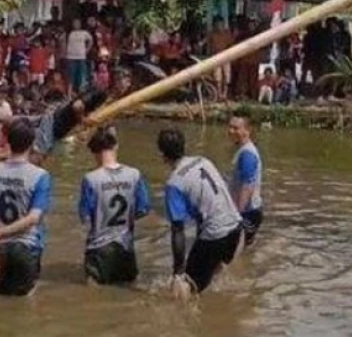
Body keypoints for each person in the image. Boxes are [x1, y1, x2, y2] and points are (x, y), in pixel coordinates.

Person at [158, 127, 244, 296]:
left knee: (187, 290)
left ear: (162, 155)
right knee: (215, 278)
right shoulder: (203, 160)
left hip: (215, 235)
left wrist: (178, 272)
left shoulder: (174, 184)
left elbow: (178, 230)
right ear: (184, 146)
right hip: (236, 229)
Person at [0, 118, 52, 296]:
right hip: (27, 248)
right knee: (24, 307)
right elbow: (33, 218)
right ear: (32, 143)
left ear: (8, 141)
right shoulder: (40, 176)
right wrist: (3, 232)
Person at [78, 127, 151, 285]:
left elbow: (84, 217)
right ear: (116, 146)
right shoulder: (134, 174)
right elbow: (144, 209)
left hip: (99, 248)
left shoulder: (90, 179)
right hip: (125, 248)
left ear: (94, 152)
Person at [226, 115, 264, 245]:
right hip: (248, 212)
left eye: (236, 128)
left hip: (247, 213)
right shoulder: (243, 150)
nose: (231, 131)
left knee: (234, 256)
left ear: (247, 131)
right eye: (230, 127)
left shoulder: (247, 154)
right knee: (242, 255)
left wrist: (237, 216)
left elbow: (247, 186)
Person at [206, 19, 234, 99]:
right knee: (217, 77)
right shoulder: (212, 34)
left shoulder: (227, 33)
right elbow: (209, 46)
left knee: (227, 76)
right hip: (216, 57)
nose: (219, 26)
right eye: (217, 24)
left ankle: (225, 93)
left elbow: (230, 44)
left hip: (226, 56)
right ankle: (218, 93)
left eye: (220, 24)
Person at [65, 19, 94, 94]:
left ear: (80, 24)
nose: (76, 25)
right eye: (74, 23)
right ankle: (69, 94)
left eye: (77, 23)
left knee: (82, 76)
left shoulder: (84, 33)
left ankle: (81, 93)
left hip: (81, 57)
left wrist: (87, 50)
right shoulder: (69, 33)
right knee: (71, 76)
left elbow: (91, 40)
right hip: (71, 57)